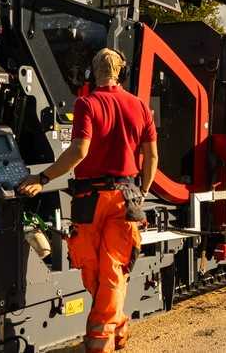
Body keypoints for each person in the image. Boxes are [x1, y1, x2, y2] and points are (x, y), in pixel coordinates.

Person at [18, 48, 158, 352]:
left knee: (96, 270)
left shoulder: (87, 103)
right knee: (110, 270)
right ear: (120, 71)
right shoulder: (140, 107)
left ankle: (99, 344)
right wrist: (143, 191)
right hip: (125, 196)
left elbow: (79, 151)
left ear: (93, 72)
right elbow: (152, 157)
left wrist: (42, 179)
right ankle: (117, 328)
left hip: (89, 199)